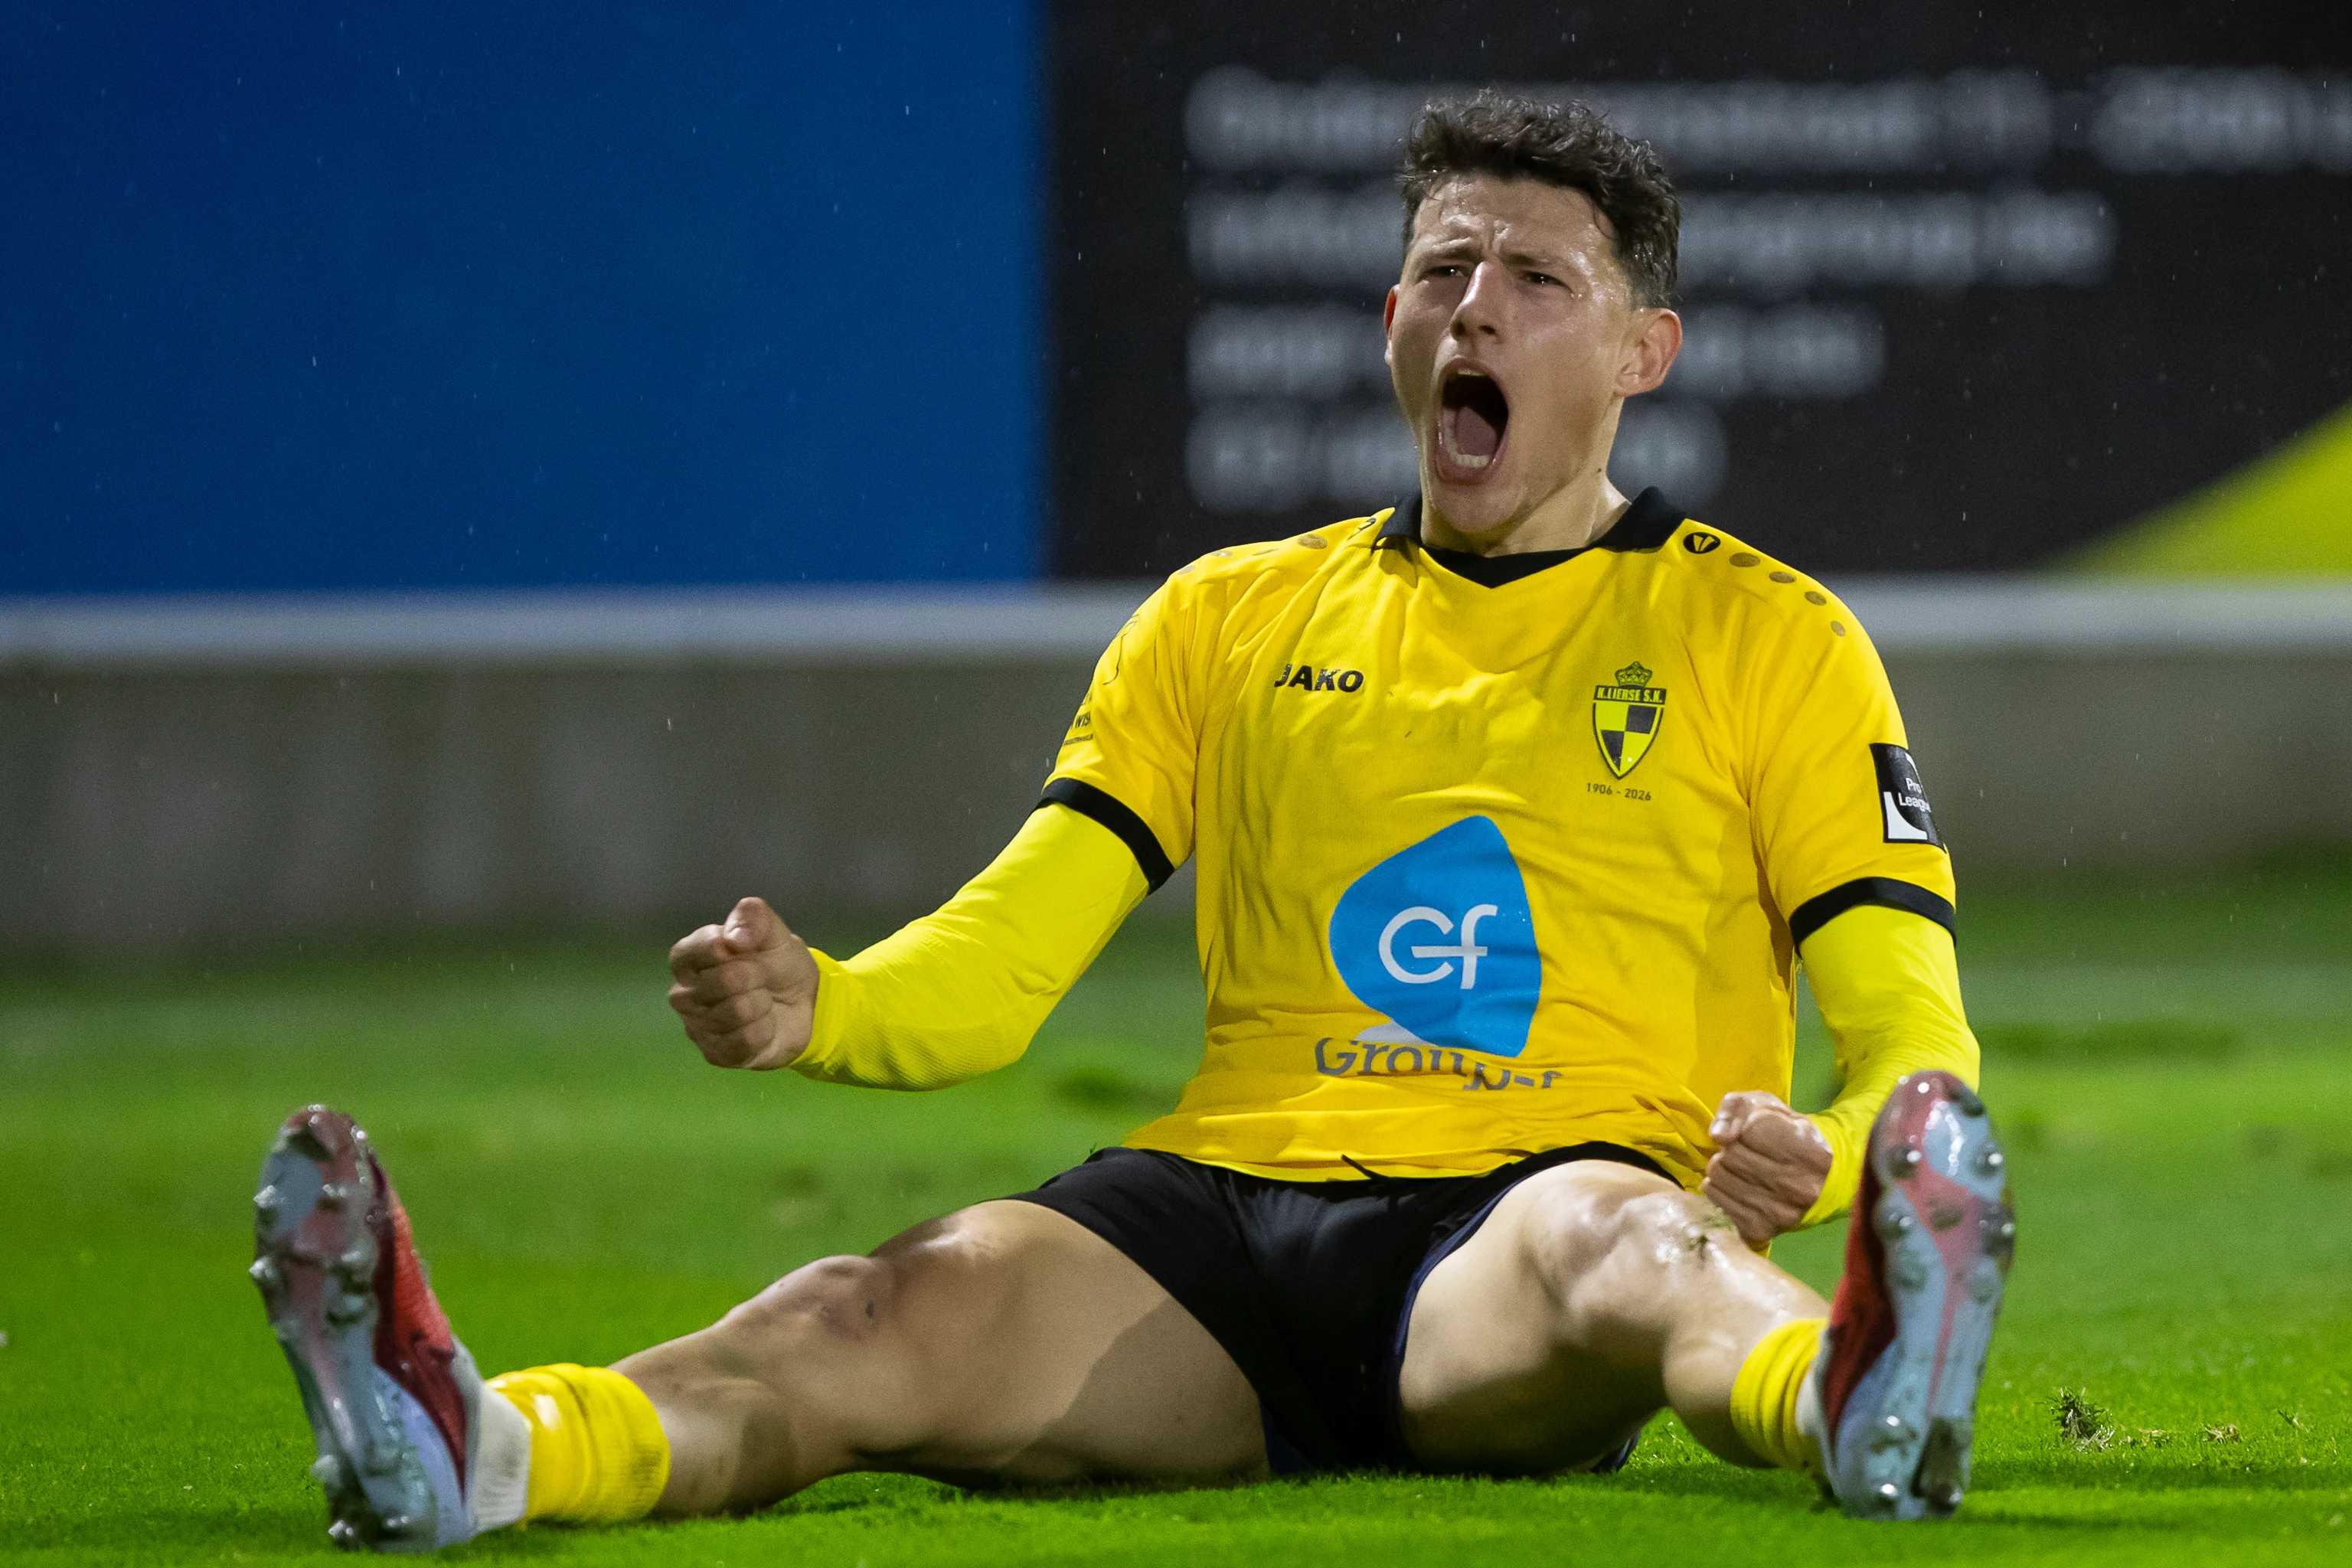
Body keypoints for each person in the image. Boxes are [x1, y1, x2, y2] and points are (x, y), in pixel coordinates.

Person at [248, 92, 2013, 1553]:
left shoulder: (1765, 632)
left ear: (1645, 350)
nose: (1474, 305)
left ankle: (1849, 1393)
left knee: (1639, 1250)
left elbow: (1915, 1044)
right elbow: (1014, 955)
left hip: (1530, 1223)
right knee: (865, 1312)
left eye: (1535, 279)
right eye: (1440, 270)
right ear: (1388, 324)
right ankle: (477, 1451)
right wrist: (831, 1006)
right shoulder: (1227, 615)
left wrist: (1839, 1155)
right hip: (1221, 1227)